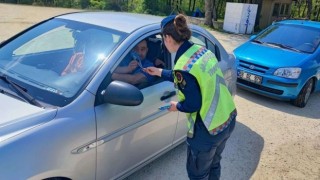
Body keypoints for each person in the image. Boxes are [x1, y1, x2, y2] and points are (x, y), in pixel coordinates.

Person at [145, 14, 237, 180]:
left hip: (207, 131)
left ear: (167, 37)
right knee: (215, 164)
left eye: (162, 39)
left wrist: (176, 106)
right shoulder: (201, 51)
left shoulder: (183, 67)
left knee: (198, 175)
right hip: (228, 118)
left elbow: (192, 104)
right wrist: (160, 72)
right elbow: (193, 77)